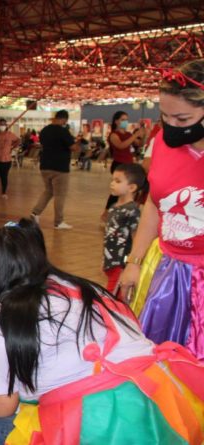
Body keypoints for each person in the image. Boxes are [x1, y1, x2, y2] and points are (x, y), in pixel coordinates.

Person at [0, 218, 204, 444]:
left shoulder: (2, 315)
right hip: (159, 399)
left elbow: (1, 407)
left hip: (100, 420)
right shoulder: (85, 288)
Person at [120, 60, 204, 359]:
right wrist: (134, 262)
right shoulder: (163, 144)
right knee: (161, 358)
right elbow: (156, 205)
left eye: (182, 119)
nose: (171, 127)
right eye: (165, 116)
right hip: (169, 269)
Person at [30, 110, 78, 230]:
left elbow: (43, 144)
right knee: (60, 195)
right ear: (64, 119)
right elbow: (73, 147)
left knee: (48, 191)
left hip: (45, 166)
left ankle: (35, 213)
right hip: (60, 168)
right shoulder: (63, 131)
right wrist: (79, 142)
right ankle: (58, 222)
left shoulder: (45, 130)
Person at [102, 164, 146, 293]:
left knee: (113, 295)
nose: (112, 184)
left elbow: (135, 236)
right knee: (114, 294)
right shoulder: (114, 206)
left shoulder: (132, 210)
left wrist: (132, 262)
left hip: (121, 263)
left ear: (132, 187)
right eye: (112, 180)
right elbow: (109, 236)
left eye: (118, 181)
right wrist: (104, 259)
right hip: (111, 261)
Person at [102, 111, 144, 213]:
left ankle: (123, 210)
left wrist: (142, 135)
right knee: (117, 190)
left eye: (126, 120)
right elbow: (121, 145)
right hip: (119, 164)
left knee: (127, 190)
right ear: (116, 121)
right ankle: (106, 212)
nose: (125, 122)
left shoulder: (128, 134)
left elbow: (139, 144)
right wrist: (134, 136)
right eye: (123, 120)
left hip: (128, 164)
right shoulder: (114, 135)